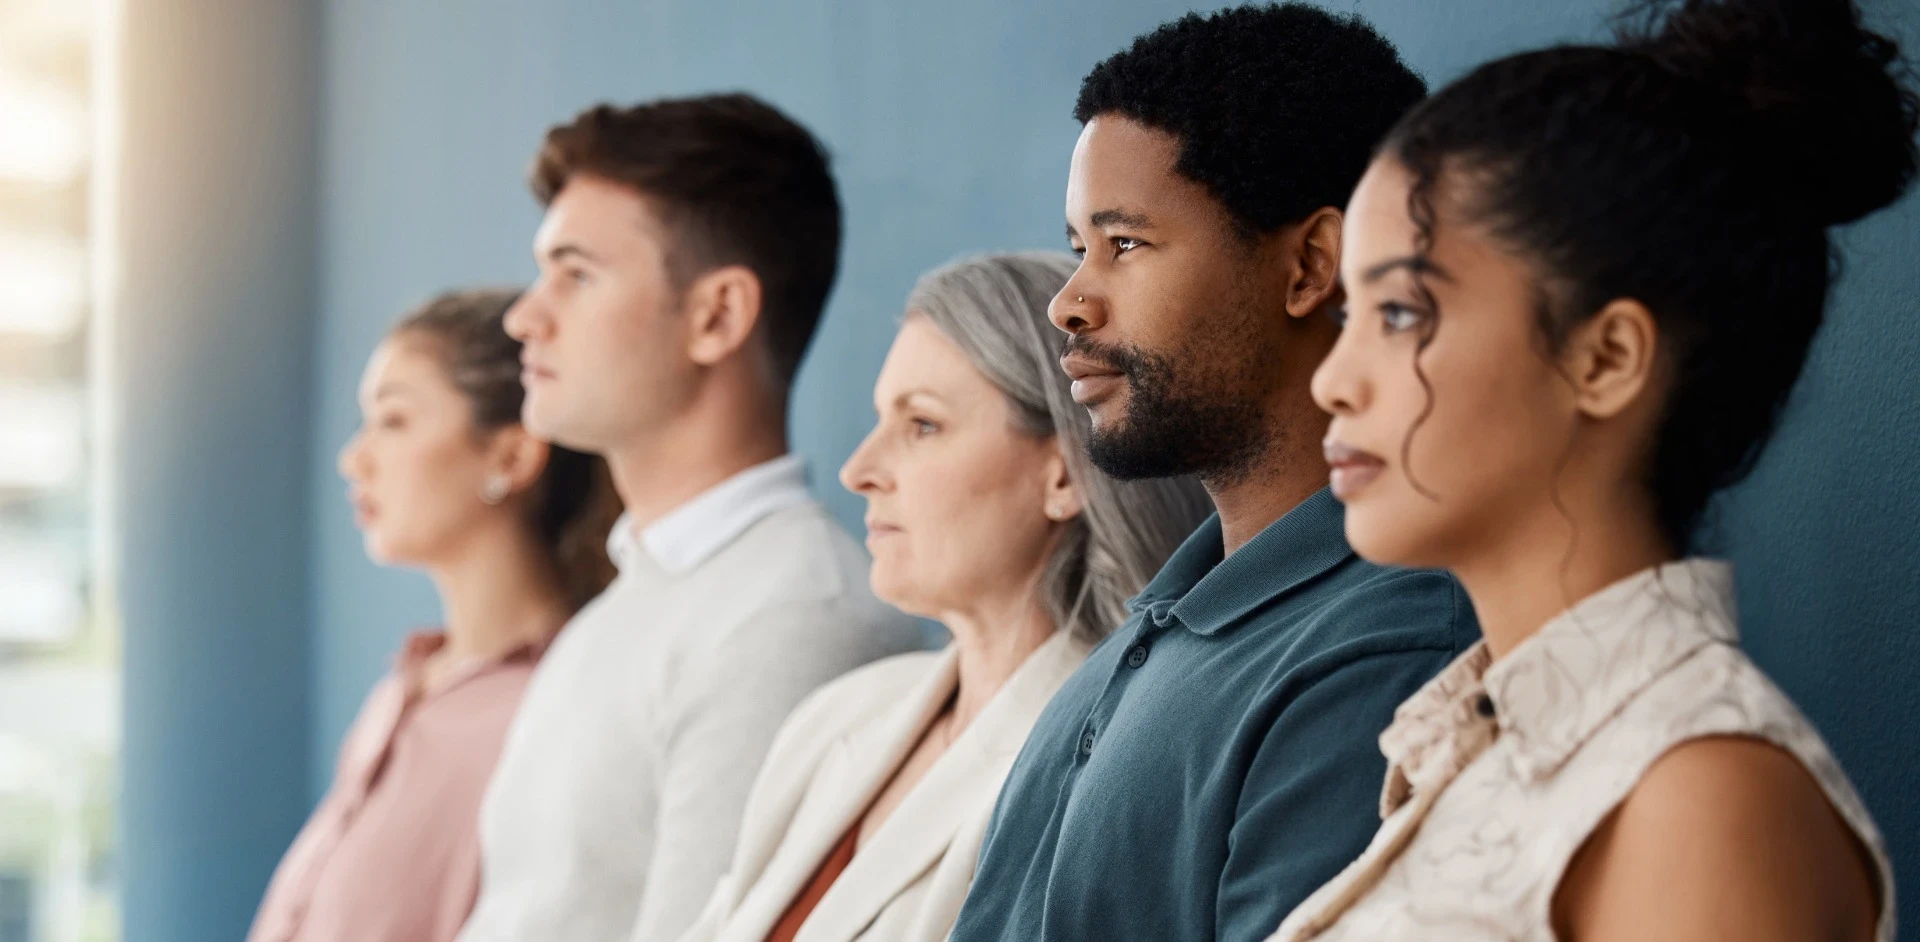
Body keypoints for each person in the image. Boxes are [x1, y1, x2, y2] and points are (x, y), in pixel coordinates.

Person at [1274, 0, 1913, 938]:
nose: (1333, 380)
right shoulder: (1472, 753)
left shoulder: (1696, 795)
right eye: (1346, 319)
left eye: (1402, 313)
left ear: (1606, 360)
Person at [948, 7, 1479, 942]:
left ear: (1312, 265)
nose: (1068, 303)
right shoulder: (1164, 623)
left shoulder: (1388, 648)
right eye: (1079, 249)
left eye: (1126, 244)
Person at [457, 95, 922, 942]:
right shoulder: (627, 604)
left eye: (576, 273)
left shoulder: (789, 619)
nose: (525, 317)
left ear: (718, 315)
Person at [674, 252, 1212, 942]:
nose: (858, 470)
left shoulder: (1111, 772)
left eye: (921, 425)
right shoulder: (832, 720)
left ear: (1066, 473)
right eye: (879, 421)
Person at [248, 288, 622, 942]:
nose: (354, 459)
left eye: (393, 421)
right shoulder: (405, 688)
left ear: (511, 457)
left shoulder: (555, 711)